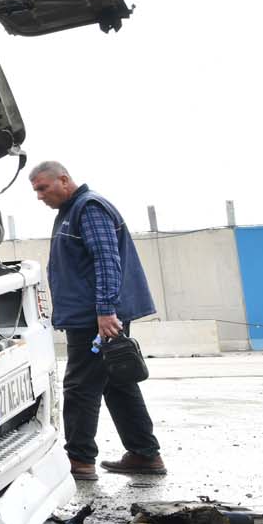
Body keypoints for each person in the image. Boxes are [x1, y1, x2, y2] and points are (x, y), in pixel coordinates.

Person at [30, 162, 165, 479]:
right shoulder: (70, 211)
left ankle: (79, 461)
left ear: (64, 180)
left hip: (94, 319)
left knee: (79, 387)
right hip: (90, 316)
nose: (39, 196)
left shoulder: (88, 208)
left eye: (42, 188)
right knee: (118, 384)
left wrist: (105, 311)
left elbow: (107, 259)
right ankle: (145, 454)